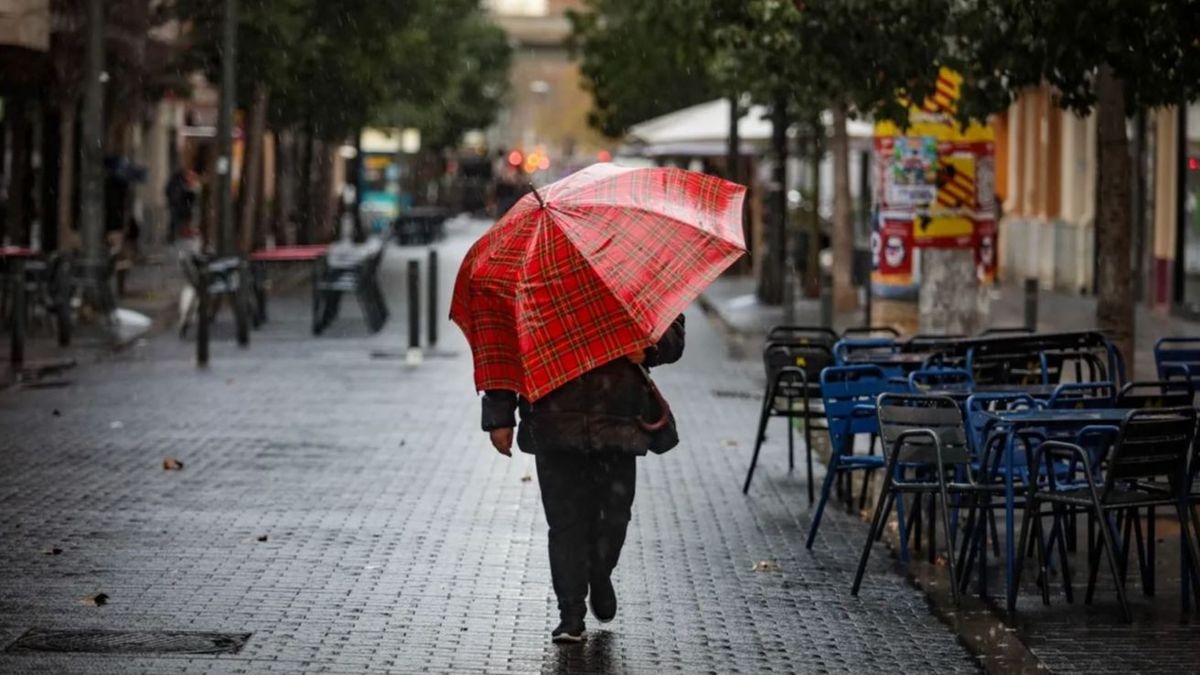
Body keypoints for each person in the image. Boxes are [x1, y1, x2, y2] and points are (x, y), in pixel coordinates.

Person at [481, 315, 686, 644]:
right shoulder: (532, 283)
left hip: (617, 421)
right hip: (553, 418)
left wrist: (650, 350)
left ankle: (600, 573)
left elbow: (672, 332)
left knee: (615, 517)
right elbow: (503, 349)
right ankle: (571, 613)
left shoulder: (626, 272)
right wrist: (498, 415)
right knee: (565, 523)